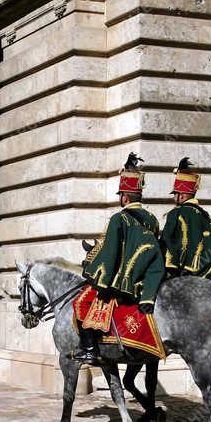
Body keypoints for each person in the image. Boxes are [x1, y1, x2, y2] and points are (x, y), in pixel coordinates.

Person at [75, 153, 165, 365]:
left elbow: (109, 254)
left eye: (120, 195)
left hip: (122, 285)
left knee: (82, 300)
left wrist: (91, 271)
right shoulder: (152, 220)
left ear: (124, 197)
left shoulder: (119, 219)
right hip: (144, 284)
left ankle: (90, 350)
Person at [159, 158, 211, 281]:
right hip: (207, 273)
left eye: (175, 194)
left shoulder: (175, 213)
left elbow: (166, 242)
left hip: (181, 274)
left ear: (181, 195)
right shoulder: (206, 216)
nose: (173, 198)